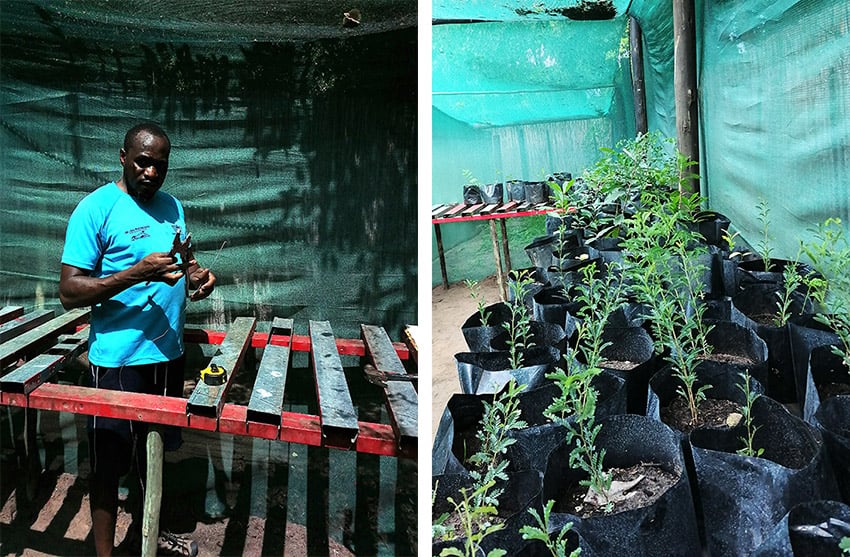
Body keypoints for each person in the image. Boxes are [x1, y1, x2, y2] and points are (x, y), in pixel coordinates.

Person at [59, 122, 215, 556]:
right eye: (143, 162)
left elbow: (182, 261)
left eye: (160, 166)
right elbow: (70, 291)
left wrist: (198, 277)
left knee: (153, 457)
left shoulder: (171, 206)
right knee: (108, 465)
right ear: (123, 156)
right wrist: (135, 274)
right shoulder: (96, 209)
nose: (151, 172)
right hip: (118, 359)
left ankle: (150, 535)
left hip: (166, 354)